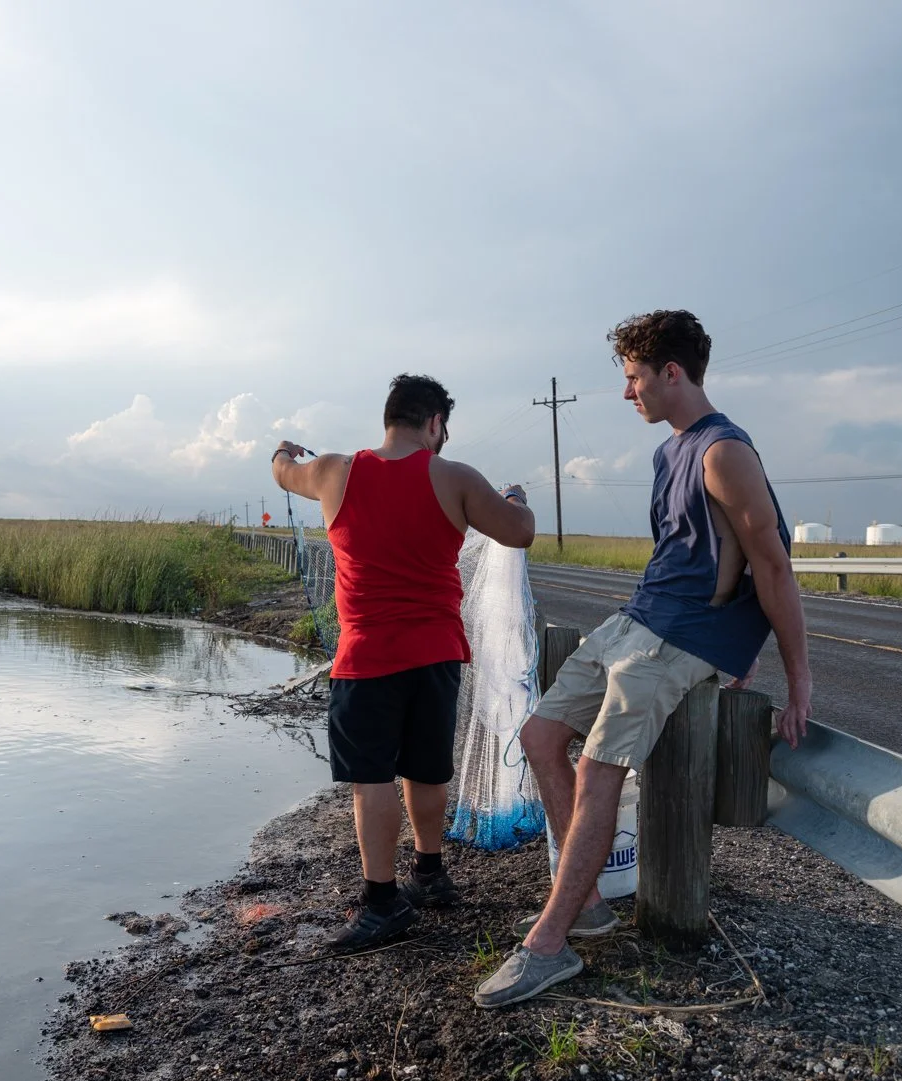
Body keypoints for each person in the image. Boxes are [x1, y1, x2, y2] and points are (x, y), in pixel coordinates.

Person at [474, 310, 812, 1009]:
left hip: (678, 640)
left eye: (634, 377)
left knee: (601, 767)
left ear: (672, 372)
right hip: (635, 621)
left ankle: (548, 945)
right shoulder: (668, 453)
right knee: (540, 736)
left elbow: (773, 564)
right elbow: (688, 553)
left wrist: (791, 674)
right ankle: (586, 905)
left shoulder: (725, 452)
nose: (628, 392)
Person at [272, 374, 536, 949]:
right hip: (437, 654)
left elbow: (284, 473)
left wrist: (283, 452)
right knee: (426, 768)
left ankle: (383, 902)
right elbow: (520, 532)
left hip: (366, 656)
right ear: (435, 423)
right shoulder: (455, 478)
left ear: (389, 419)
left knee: (371, 779)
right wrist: (515, 497)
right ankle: (430, 873)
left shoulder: (334, 472)